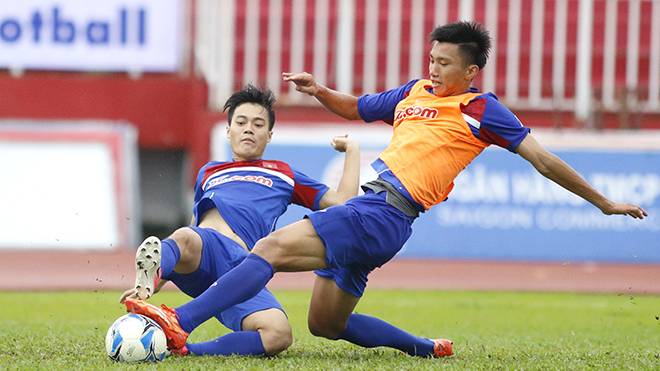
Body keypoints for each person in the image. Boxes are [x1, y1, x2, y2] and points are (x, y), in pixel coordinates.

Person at [125, 21, 648, 358]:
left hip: (383, 210)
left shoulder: (483, 110)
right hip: (382, 218)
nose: (432, 68)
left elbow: (544, 160)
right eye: (431, 58)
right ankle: (424, 349)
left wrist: (603, 202)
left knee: (269, 249)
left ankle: (179, 321)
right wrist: (321, 91)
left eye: (444, 63)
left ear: (471, 70)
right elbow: (357, 108)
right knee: (326, 324)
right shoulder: (414, 93)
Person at [121, 84, 361, 357]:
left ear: (270, 135)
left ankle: (182, 350)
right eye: (241, 122)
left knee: (278, 334)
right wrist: (155, 280)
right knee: (186, 236)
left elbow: (342, 203)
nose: (249, 129)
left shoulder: (283, 173)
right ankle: (154, 274)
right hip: (206, 249)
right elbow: (192, 225)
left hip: (243, 267)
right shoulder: (209, 172)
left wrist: (352, 149)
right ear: (228, 130)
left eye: (258, 124)